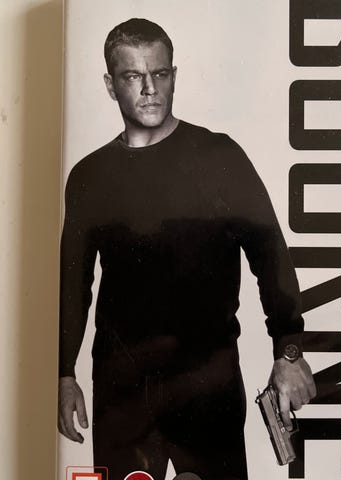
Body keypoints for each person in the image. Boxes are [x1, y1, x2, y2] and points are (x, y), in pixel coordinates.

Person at [58, 18, 316, 480]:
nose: (149, 88)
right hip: (123, 389)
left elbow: (271, 256)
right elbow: (72, 283)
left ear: (173, 76)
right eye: (132, 76)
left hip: (207, 383)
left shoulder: (219, 157)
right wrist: (64, 373)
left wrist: (289, 350)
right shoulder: (89, 176)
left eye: (159, 73)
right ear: (110, 85)